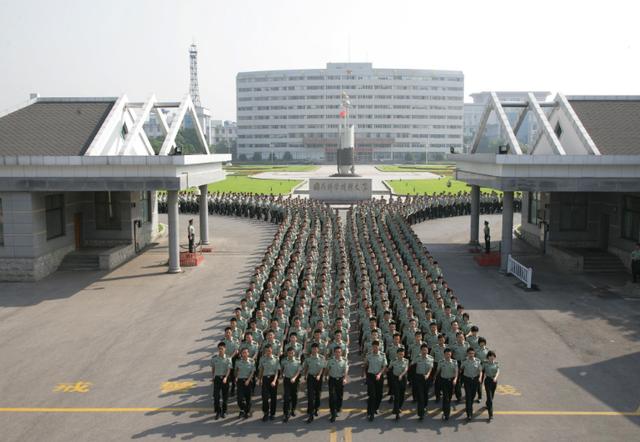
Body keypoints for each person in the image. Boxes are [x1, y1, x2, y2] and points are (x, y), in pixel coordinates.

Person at [364, 340, 387, 421]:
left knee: (379, 395)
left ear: (379, 347)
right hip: (370, 376)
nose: (375, 348)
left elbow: (384, 366)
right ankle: (370, 412)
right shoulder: (368, 355)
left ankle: (376, 407)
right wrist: (364, 375)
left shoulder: (382, 355)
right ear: (372, 347)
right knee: (372, 395)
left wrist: (380, 374)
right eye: (374, 347)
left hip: (379, 376)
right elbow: (366, 365)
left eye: (376, 347)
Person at [302, 342, 326, 423]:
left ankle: (316, 408)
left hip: (318, 378)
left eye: (316, 348)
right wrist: (305, 375)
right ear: (311, 349)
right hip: (311, 378)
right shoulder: (308, 359)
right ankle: (311, 415)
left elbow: (322, 368)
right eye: (313, 349)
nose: (314, 350)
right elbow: (306, 367)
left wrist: (319, 375)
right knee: (310, 396)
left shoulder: (322, 358)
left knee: (318, 395)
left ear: (318, 349)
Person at [325, 346, 349, 423]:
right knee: (332, 396)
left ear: (341, 352)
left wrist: (345, 378)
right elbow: (327, 369)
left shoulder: (344, 361)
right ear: (334, 352)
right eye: (336, 352)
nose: (338, 353)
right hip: (332, 380)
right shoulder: (330, 360)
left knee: (339, 396)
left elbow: (345, 370)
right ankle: (333, 413)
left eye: (339, 352)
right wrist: (326, 376)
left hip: (340, 380)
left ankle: (338, 408)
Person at [258, 344, 280, 421]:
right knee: (265, 397)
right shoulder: (262, 359)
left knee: (273, 397)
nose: (268, 351)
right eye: (267, 350)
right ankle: (266, 413)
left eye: (269, 350)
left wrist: (274, 381)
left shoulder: (276, 359)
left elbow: (277, 371)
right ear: (265, 351)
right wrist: (259, 379)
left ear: (272, 350)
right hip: (265, 379)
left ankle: (272, 414)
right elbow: (261, 370)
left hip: (273, 378)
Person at [459, 347, 482, 421]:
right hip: (467, 380)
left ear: (474, 353)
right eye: (470, 353)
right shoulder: (465, 361)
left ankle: (468, 406)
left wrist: (480, 378)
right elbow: (461, 369)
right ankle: (469, 413)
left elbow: (480, 370)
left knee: (473, 396)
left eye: (472, 353)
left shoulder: (478, 361)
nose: (471, 355)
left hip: (475, 380)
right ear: (467, 354)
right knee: (468, 396)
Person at [211, 342, 232, 420]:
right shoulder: (214, 358)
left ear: (225, 349)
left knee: (225, 396)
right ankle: (218, 411)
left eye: (222, 349)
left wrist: (226, 377)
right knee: (216, 396)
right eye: (219, 349)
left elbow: (229, 369)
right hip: (217, 379)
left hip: (224, 378)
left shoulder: (228, 358)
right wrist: (213, 376)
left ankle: (224, 411)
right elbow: (213, 368)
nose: (220, 350)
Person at [414, 343, 434, 421]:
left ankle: (425, 405)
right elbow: (412, 364)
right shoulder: (417, 358)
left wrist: (428, 375)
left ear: (427, 350)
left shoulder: (431, 358)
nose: (424, 351)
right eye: (423, 350)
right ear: (421, 350)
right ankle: (421, 414)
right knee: (420, 396)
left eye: (425, 350)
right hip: (419, 378)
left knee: (425, 394)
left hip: (427, 378)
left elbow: (431, 368)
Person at [281, 347, 302, 422]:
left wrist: (294, 378)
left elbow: (299, 371)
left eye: (292, 353)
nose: (291, 354)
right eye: (289, 353)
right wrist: (282, 374)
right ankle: (286, 413)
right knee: (286, 397)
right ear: (287, 353)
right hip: (286, 380)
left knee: (294, 395)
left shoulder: (297, 361)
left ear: (294, 353)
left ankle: (293, 409)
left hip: (294, 380)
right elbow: (282, 368)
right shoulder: (284, 361)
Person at [436, 348, 458, 421]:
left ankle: (444, 407)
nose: (448, 355)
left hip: (451, 381)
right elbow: (438, 371)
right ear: (444, 354)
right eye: (446, 354)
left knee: (449, 397)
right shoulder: (441, 362)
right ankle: (446, 414)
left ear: (451, 354)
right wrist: (435, 379)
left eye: (449, 354)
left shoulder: (454, 362)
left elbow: (456, 372)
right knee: (446, 397)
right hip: (444, 381)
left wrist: (455, 379)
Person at [389, 347, 409, 420]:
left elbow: (406, 369)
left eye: (402, 354)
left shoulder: (406, 361)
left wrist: (401, 375)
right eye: (400, 354)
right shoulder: (393, 361)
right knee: (397, 395)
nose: (401, 355)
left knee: (402, 395)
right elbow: (389, 368)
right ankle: (397, 412)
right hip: (395, 379)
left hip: (403, 379)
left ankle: (398, 407)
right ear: (397, 354)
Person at [234, 347, 255, 419]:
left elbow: (252, 372)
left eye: (246, 352)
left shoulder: (252, 361)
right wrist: (236, 377)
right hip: (240, 381)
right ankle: (243, 409)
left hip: (248, 381)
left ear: (248, 353)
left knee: (248, 398)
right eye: (243, 352)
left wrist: (248, 380)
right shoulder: (238, 361)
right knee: (239, 399)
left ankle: (246, 411)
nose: (245, 354)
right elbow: (236, 370)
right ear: (241, 354)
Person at [481, 350, 500, 421]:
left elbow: (498, 371)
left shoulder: (496, 363)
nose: (492, 357)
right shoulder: (485, 364)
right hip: (488, 381)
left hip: (494, 381)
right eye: (490, 356)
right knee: (489, 397)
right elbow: (481, 370)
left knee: (492, 396)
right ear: (488, 357)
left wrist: (495, 378)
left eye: (493, 356)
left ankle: (487, 404)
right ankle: (490, 415)